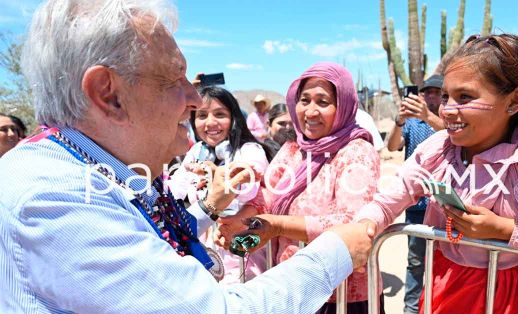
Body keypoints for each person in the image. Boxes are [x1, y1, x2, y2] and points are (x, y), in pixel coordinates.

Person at [0, 1, 375, 312]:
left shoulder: (87, 168)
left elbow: (144, 233)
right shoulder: (56, 198)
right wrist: (336, 251)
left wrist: (207, 211)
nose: (195, 101)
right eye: (174, 80)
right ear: (109, 94)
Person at [355, 33, 518, 314]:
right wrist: (365, 225)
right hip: (444, 287)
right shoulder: (438, 147)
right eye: (446, 97)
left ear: (514, 101)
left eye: (465, 97)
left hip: (514, 297)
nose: (447, 110)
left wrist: (506, 231)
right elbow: (390, 197)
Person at [228, 62, 384, 314]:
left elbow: (353, 223)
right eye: (304, 100)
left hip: (342, 296)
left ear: (342, 105)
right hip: (294, 286)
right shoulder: (294, 150)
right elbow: (268, 195)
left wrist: (277, 225)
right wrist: (240, 219)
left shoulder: (357, 152)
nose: (310, 111)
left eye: (322, 102)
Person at [168, 85, 271, 284]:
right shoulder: (197, 151)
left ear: (233, 118)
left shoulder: (250, 150)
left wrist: (224, 179)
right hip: (206, 251)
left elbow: (249, 184)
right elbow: (174, 190)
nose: (210, 123)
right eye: (202, 115)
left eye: (219, 114)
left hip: (242, 252)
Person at [385, 74, 444, 314]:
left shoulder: (452, 121)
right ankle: (411, 310)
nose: (430, 96)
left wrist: (428, 116)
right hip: (417, 205)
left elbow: (451, 135)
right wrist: (399, 120)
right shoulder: (411, 123)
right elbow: (391, 146)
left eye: (436, 93)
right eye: (427, 92)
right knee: (416, 262)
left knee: (447, 262)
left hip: (445, 205)